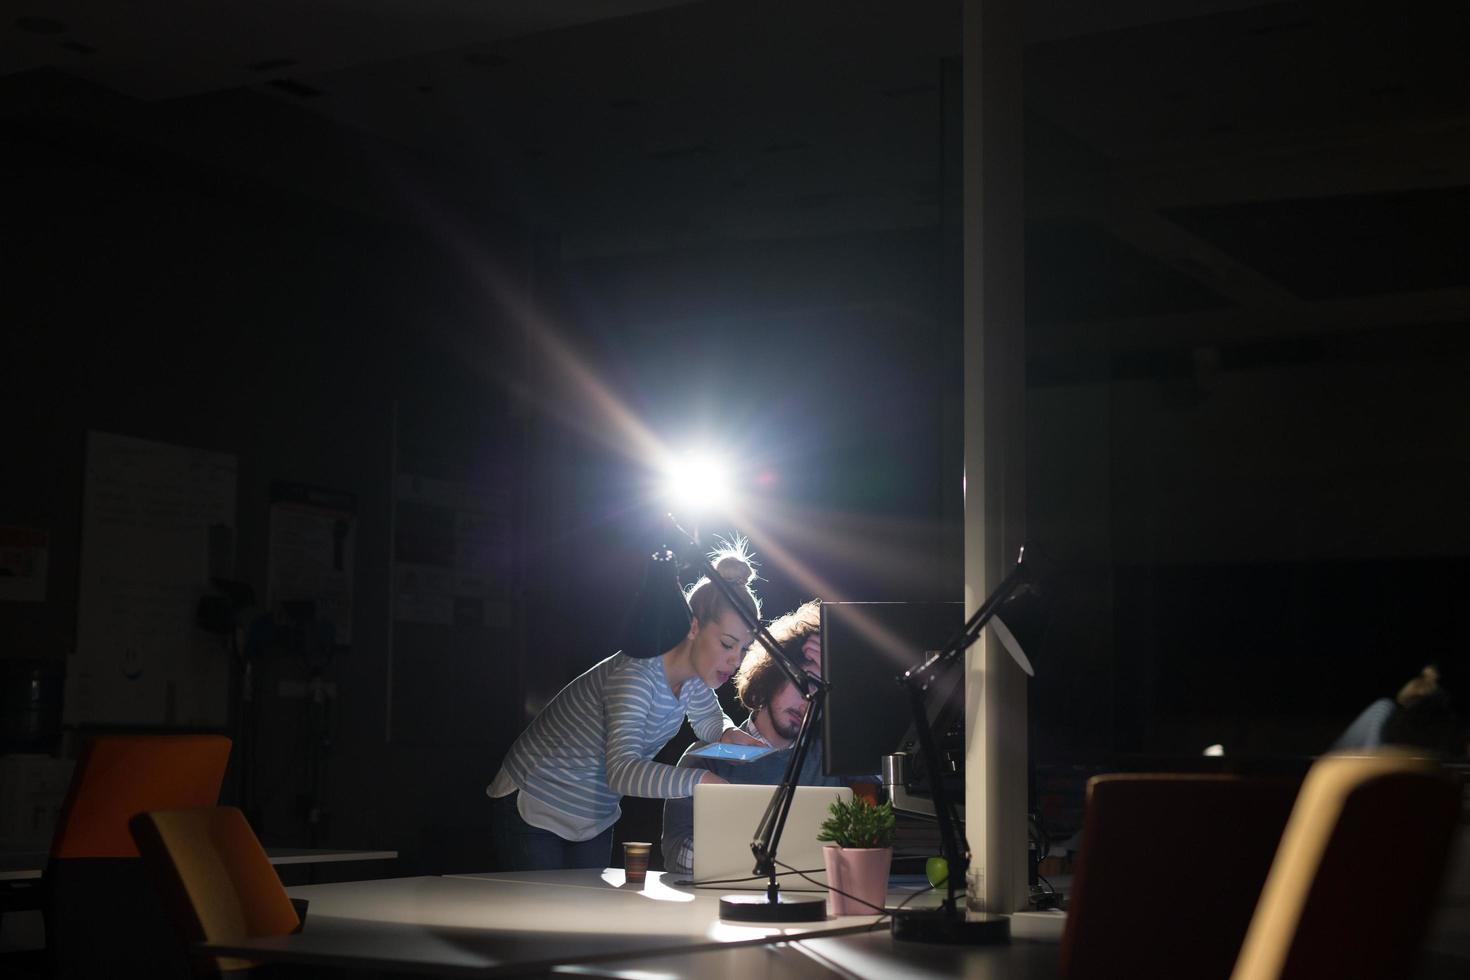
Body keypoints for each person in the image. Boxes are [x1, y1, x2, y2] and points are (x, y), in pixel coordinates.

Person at [488, 544, 764, 871]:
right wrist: (701, 781)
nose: (736, 660)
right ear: (693, 626)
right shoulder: (636, 676)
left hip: (593, 816)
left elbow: (709, 720)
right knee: (544, 919)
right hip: (535, 801)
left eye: (744, 649)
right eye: (727, 644)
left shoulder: (694, 678)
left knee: (587, 920)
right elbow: (622, 772)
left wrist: (729, 733)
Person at [661, 599, 854, 877]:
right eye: (805, 684)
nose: (808, 703)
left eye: (822, 694)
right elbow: (676, 854)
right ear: (772, 675)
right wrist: (764, 864)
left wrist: (846, 678)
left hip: (810, 910)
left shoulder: (834, 759)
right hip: (717, 910)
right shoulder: (706, 759)